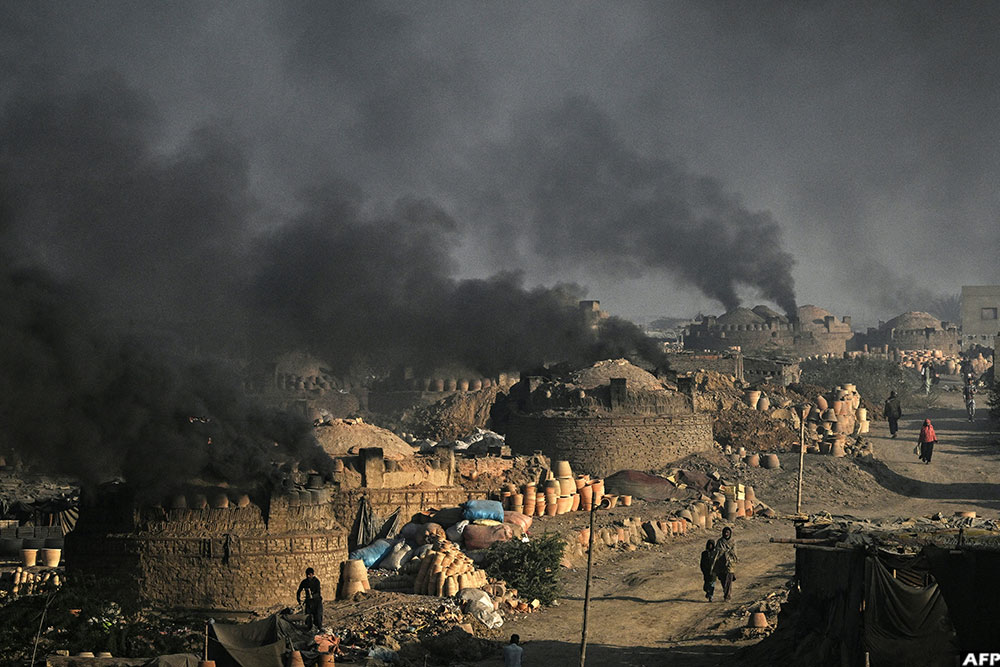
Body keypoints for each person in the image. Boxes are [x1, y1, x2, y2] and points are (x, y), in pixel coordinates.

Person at [712, 527, 739, 601]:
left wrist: (729, 554)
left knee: (728, 579)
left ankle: (727, 596)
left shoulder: (733, 542)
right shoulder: (720, 541)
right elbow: (717, 552)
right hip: (721, 563)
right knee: (723, 580)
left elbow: (734, 553)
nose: (726, 534)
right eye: (725, 532)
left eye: (728, 532)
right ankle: (726, 592)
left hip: (730, 563)